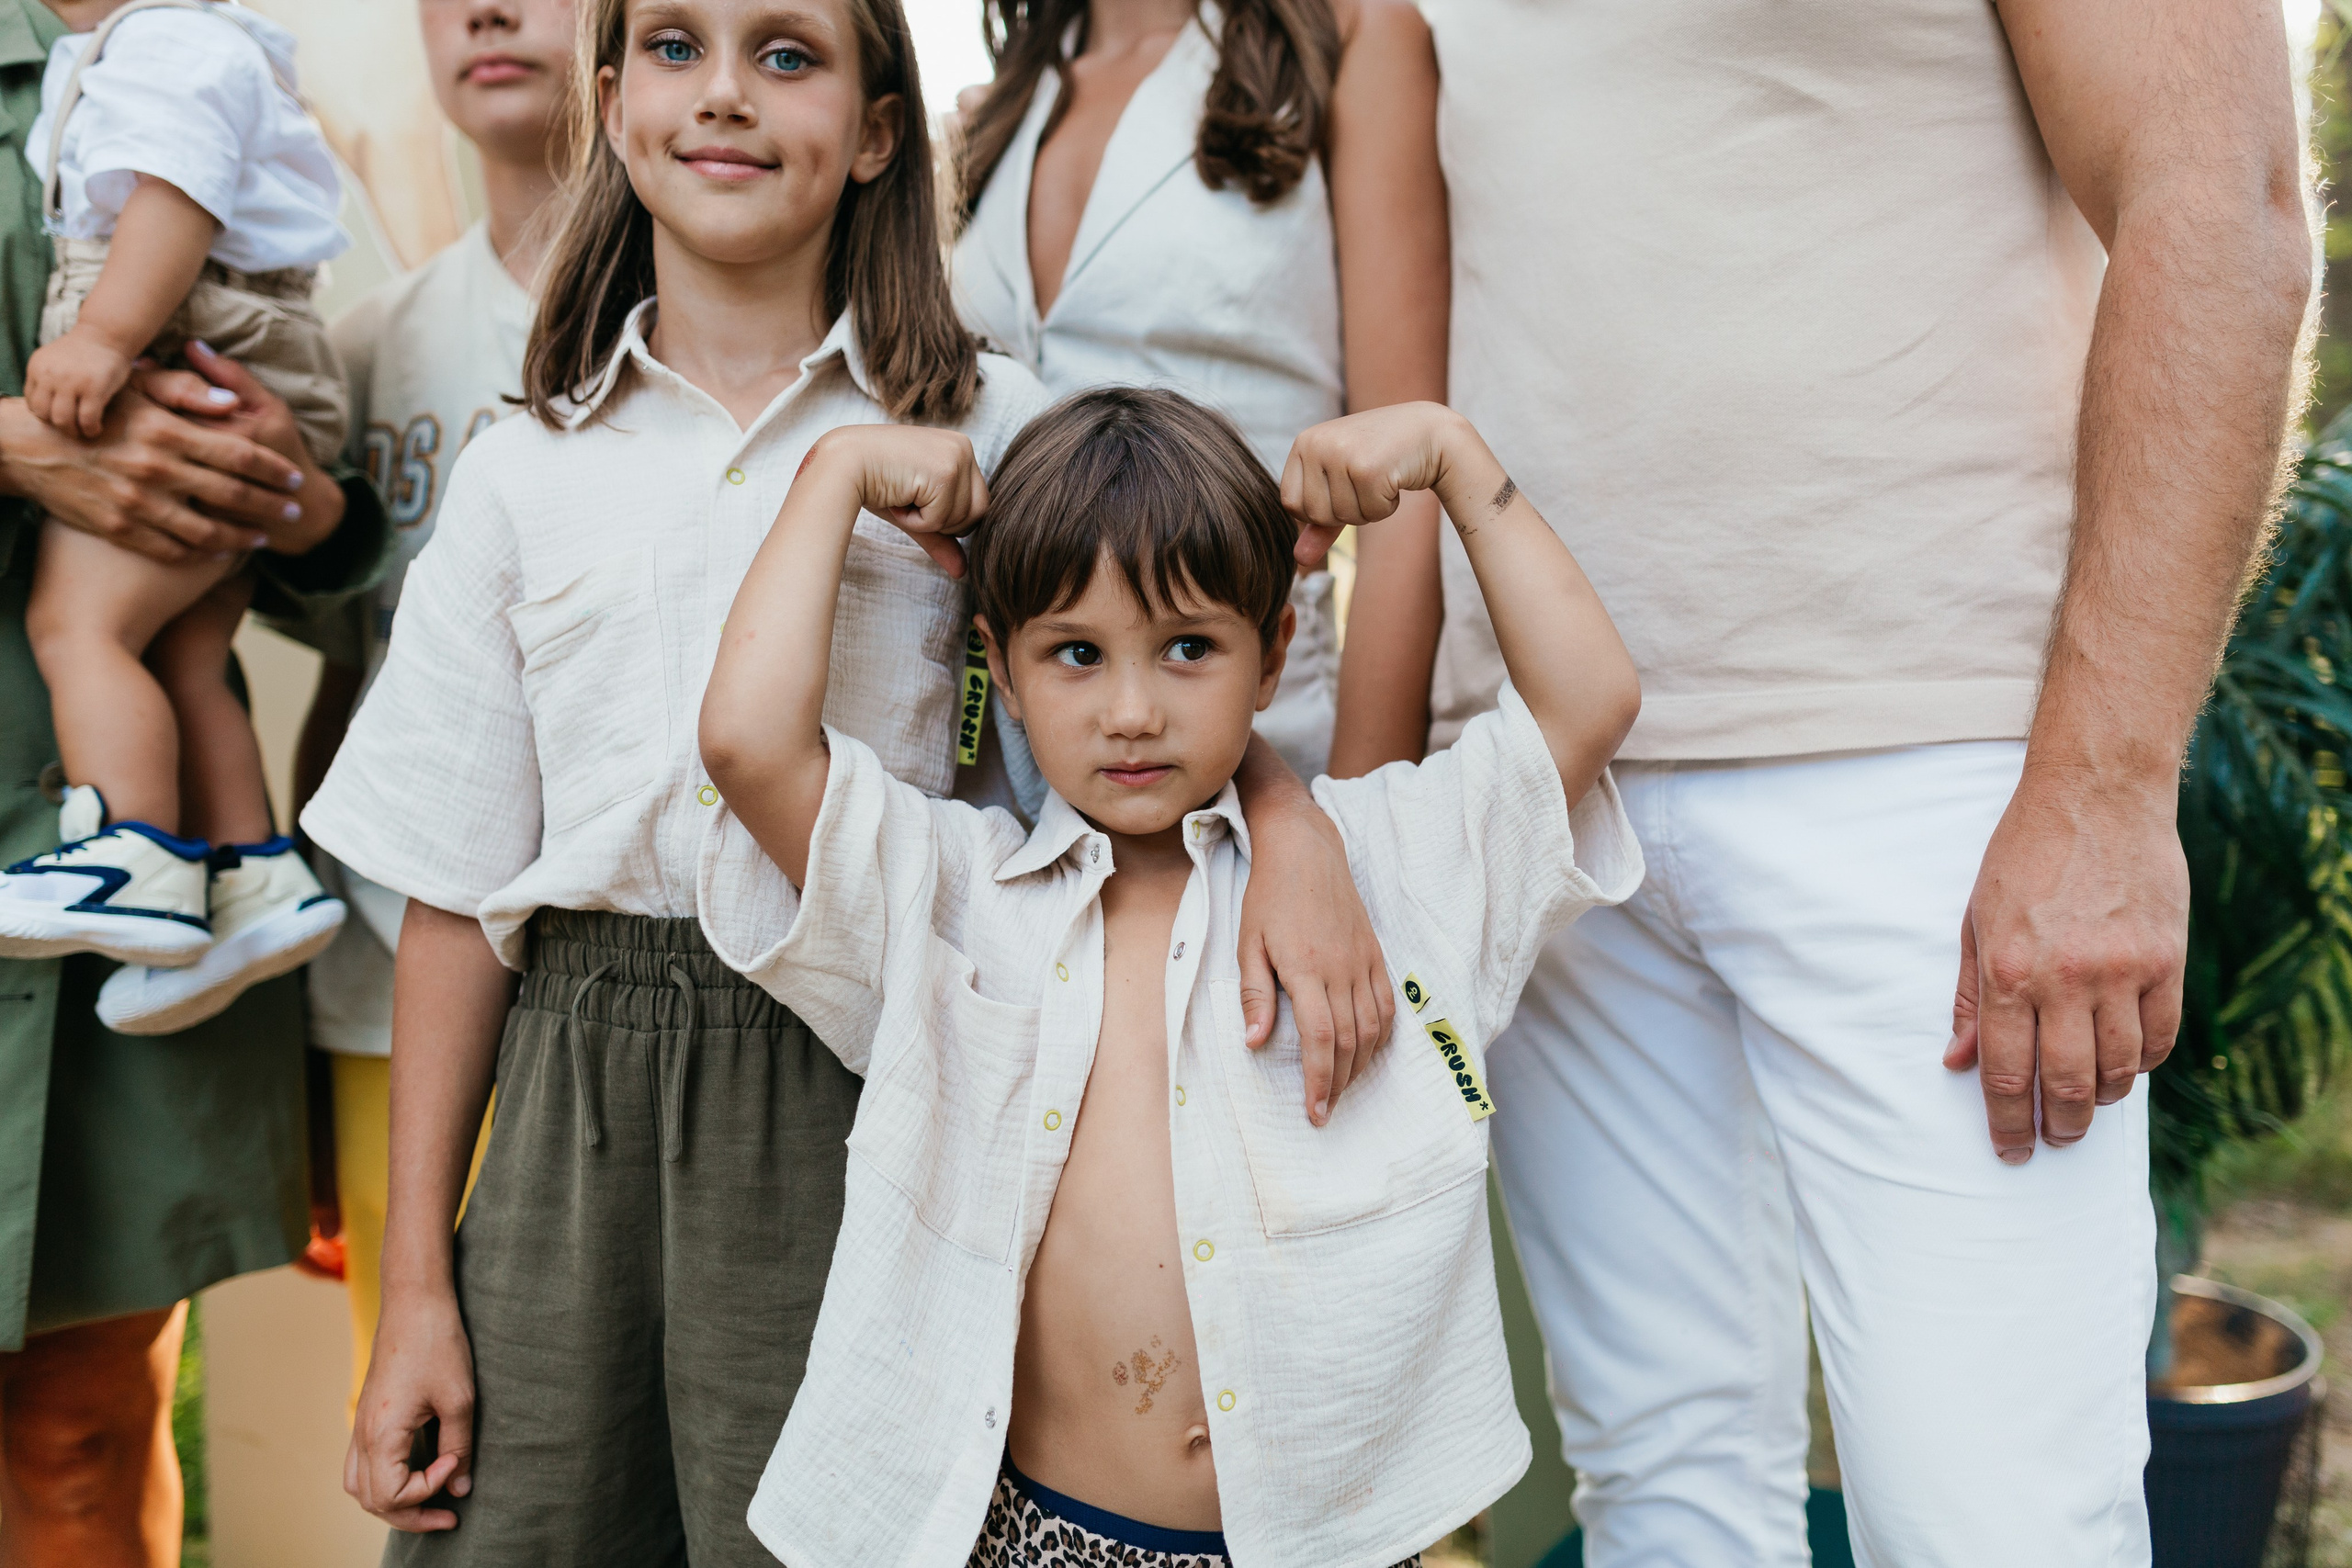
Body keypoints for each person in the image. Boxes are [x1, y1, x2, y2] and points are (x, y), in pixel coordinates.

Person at [311, 0, 1375, 1555]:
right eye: (675, 49)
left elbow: (1162, 713)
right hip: (570, 1108)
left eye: (789, 54)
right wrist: (417, 1292)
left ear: (881, 127)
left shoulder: (996, 433)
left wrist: (1291, 826)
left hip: (888, 1078)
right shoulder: (524, 468)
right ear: (610, 107)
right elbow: (456, 900)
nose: (727, 95)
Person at [1336, 0, 2314, 1561]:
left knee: (1998, 1522)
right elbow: (1400, 437)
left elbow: (2221, 199)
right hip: (1548, 808)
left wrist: (2107, 787)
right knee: (1662, 1496)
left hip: (1936, 791)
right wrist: (1363, 843)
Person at [695, 388, 1643, 1568]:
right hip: (1033, 1539)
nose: (1132, 712)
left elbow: (1588, 703)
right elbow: (746, 745)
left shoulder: (1390, 874)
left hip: (1330, 1546)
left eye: (1188, 647)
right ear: (1003, 664)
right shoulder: (954, 894)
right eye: (1077, 656)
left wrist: (1455, 455)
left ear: (1273, 652)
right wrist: (831, 473)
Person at [0, 0, 390, 1553]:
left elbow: (329, 539)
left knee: (83, 1436)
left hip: (146, 881)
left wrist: (295, 506)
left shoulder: (199, 50)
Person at [288, 0, 571, 1415]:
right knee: (422, 1440)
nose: (488, 10)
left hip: (636, 1002)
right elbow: (351, 685)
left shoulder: (725, 321)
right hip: (391, 994)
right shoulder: (370, 349)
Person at [949, 0, 1445, 787]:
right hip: (1013, 756)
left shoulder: (1353, 36)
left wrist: (1357, 822)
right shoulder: (1019, 81)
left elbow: (1409, 490)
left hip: (1248, 740)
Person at [0, 0, 350, 1034]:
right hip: (246, 350)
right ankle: (254, 874)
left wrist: (105, 336)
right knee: (184, 655)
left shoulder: (173, 41)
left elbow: (176, 191)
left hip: (179, 334)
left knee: (82, 628)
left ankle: (134, 853)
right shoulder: (209, 42)